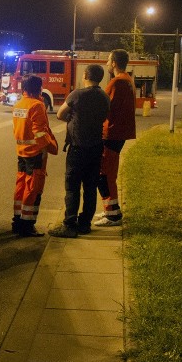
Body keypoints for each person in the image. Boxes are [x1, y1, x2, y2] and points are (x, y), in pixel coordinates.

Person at [49, 64, 110, 238]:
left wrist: (73, 119)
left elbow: (60, 114)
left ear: (85, 75)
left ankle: (69, 225)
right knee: (90, 187)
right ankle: (85, 224)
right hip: (96, 147)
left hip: (77, 148)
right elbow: (105, 116)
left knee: (72, 187)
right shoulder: (105, 97)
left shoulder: (77, 94)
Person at [12, 74, 58, 237]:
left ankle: (17, 221)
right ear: (38, 88)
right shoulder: (37, 106)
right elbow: (39, 133)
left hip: (22, 152)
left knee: (21, 186)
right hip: (36, 154)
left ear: (24, 88)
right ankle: (27, 225)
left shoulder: (19, 104)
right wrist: (52, 146)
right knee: (33, 189)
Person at [95, 49, 136, 226]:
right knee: (107, 172)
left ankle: (113, 215)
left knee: (104, 174)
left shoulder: (116, 82)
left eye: (108, 60)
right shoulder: (128, 80)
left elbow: (104, 107)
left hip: (111, 133)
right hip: (119, 132)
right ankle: (109, 209)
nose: (106, 63)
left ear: (114, 63)